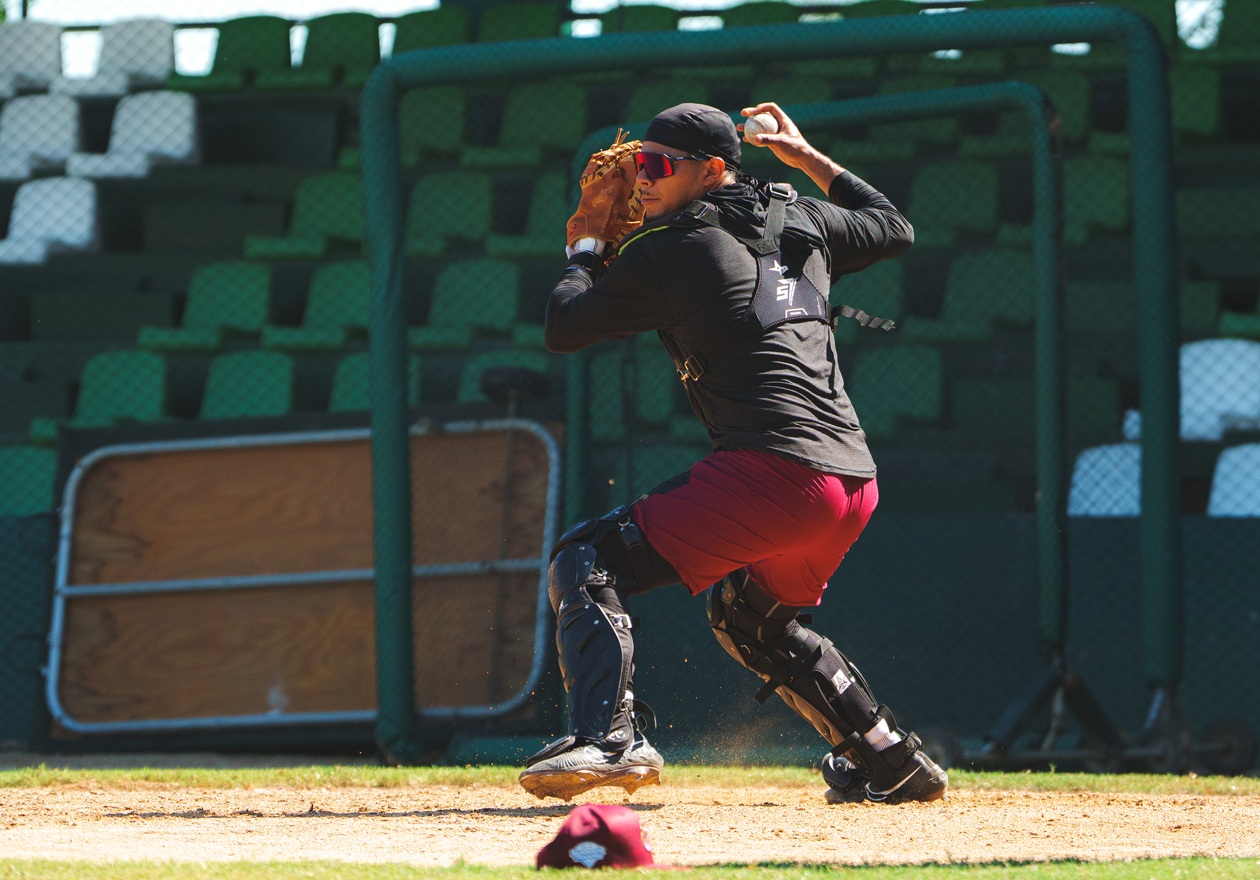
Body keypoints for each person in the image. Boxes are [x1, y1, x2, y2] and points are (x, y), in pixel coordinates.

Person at [518, 101, 947, 806]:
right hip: (851, 483)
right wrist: (805, 157)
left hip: (775, 475)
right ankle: (887, 757)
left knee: (585, 557)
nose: (640, 181)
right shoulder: (800, 217)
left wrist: (588, 248)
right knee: (751, 619)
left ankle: (611, 740)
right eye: (637, 165)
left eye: (659, 166)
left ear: (712, 170)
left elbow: (565, 326)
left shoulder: (671, 249)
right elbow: (895, 228)